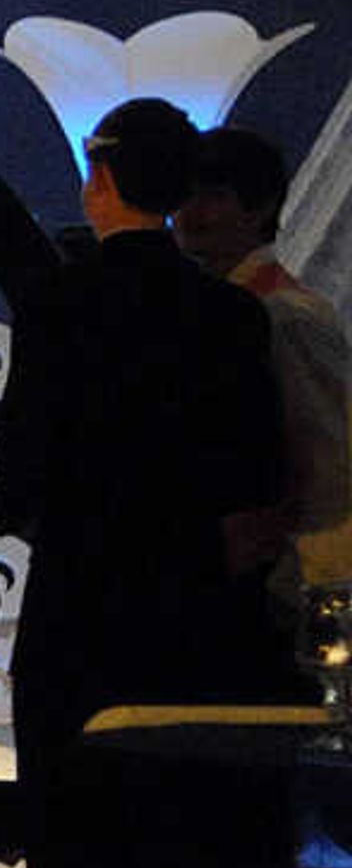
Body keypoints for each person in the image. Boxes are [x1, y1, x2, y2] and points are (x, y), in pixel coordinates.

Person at [0, 97, 294, 868]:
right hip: (198, 609)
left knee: (77, 831)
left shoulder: (56, 305)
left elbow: (21, 474)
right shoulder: (232, 314)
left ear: (100, 182)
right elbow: (260, 470)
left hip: (77, 606)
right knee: (183, 831)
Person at [176, 126, 352, 592]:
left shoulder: (284, 314)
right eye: (184, 195)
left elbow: (324, 459)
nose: (190, 214)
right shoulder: (228, 306)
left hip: (301, 574)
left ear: (260, 207)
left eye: (213, 196)